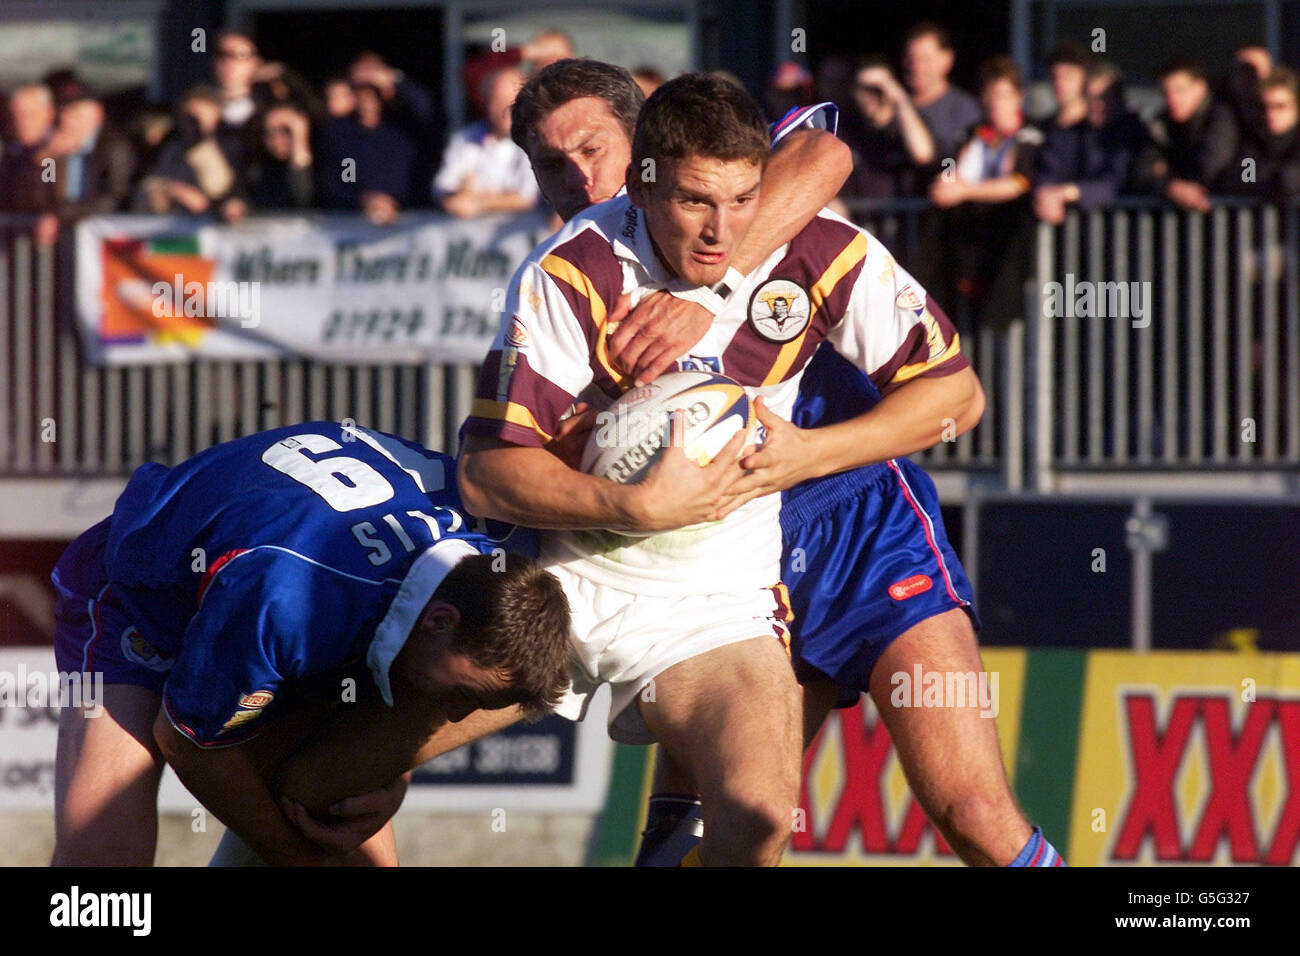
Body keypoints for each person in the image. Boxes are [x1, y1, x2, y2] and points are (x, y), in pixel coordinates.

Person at [456, 73, 986, 867]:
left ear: (643, 146)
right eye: (549, 165)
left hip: (847, 510)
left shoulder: (738, 177)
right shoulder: (571, 271)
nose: (580, 181)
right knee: (710, 827)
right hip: (704, 542)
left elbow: (824, 149)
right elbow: (498, 464)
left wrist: (719, 286)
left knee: (967, 807)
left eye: (595, 150)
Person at [50, 421, 572, 867]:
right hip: (140, 597)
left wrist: (391, 764)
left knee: (347, 823)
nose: (457, 717)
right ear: (439, 620)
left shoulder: (502, 556)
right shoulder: (289, 602)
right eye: (464, 694)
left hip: (271, 583)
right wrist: (301, 861)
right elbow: (188, 744)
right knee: (103, 855)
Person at [922, 55, 1041, 331]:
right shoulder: (974, 135)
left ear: (1018, 97)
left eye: (1002, 95)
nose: (995, 103)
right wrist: (947, 181)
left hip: (1008, 244)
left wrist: (965, 190)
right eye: (989, 95)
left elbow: (1019, 183)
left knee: (1003, 324)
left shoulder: (1030, 134)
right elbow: (951, 169)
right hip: (968, 241)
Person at [1035, 60, 1146, 224]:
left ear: (1119, 99)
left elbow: (1115, 183)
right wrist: (1045, 193)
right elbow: (1050, 168)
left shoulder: (1132, 133)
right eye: (1091, 97)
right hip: (1078, 235)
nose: (1097, 105)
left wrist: (1070, 192)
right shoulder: (1071, 134)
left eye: (1104, 98)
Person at [1135, 58, 1238, 211]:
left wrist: (1165, 173)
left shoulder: (1221, 119)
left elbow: (1208, 171)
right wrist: (1170, 187)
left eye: (1180, 90)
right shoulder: (1160, 123)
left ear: (1200, 87)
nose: (1172, 99)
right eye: (1166, 92)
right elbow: (1142, 170)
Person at [433, 66, 538, 218]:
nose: (506, 108)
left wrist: (480, 203)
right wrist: (455, 196)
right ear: (486, 101)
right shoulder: (466, 137)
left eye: (513, 101)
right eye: (498, 100)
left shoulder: (536, 139)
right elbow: (442, 186)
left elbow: (528, 197)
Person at [838, 56, 936, 200]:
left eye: (877, 89)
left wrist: (901, 101)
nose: (869, 96)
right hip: (859, 219)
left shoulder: (912, 123)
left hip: (905, 219)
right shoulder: (846, 130)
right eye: (862, 89)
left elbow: (923, 155)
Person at [903, 21, 982, 166]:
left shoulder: (963, 109)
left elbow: (952, 159)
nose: (916, 66)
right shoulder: (893, 105)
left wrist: (947, 181)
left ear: (947, 60)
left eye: (925, 59)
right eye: (911, 58)